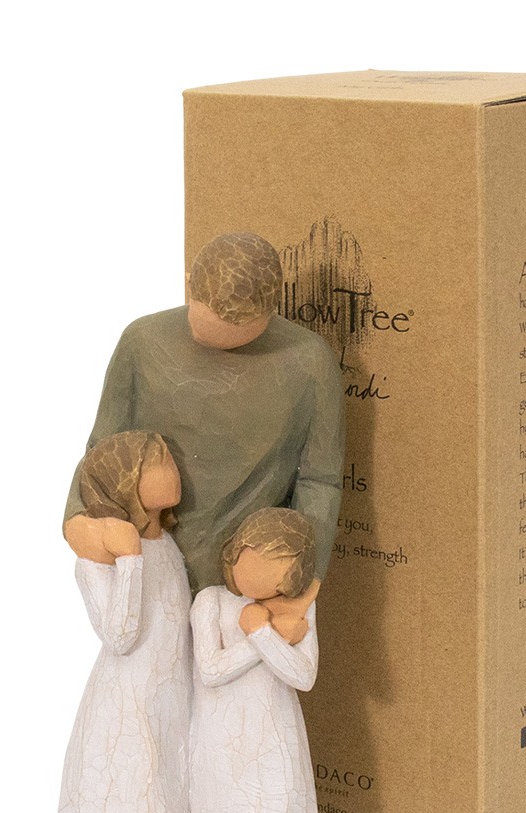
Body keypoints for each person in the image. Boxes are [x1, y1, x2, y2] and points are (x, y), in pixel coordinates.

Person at [63, 232, 345, 593]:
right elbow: (103, 449)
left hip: (246, 578)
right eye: (207, 325)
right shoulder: (142, 341)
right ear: (188, 284)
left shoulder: (309, 362)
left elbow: (319, 480)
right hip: (146, 558)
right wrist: (81, 519)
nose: (219, 344)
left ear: (271, 310)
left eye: (239, 332)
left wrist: (303, 582)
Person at [59, 431, 193, 813]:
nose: (172, 469)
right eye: (158, 462)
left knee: (169, 790)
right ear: (126, 481)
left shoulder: (169, 543)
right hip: (127, 703)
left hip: (171, 696)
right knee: (132, 793)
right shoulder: (98, 562)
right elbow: (119, 636)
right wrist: (129, 560)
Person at [188, 508, 320, 813]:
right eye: (252, 559)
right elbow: (211, 670)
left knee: (280, 810)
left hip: (275, 728)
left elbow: (304, 676)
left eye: (276, 568)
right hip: (220, 733)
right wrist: (262, 636)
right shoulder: (211, 601)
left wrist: (264, 633)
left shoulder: (298, 606)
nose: (260, 575)